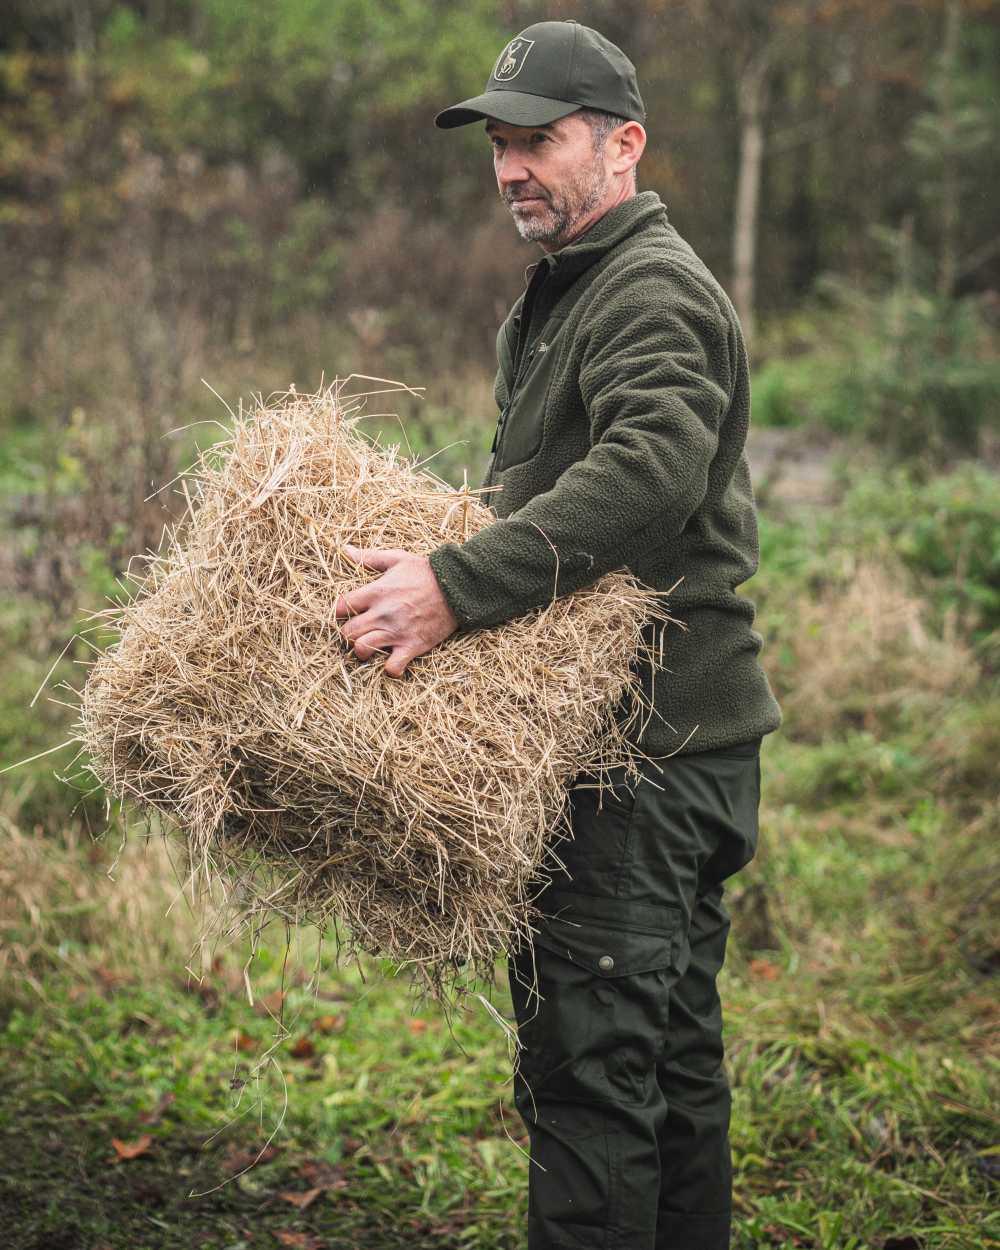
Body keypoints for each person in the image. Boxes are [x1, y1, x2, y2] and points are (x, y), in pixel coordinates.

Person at [334, 19, 782, 1249]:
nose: (510, 168)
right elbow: (561, 489)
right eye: (499, 145)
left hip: (647, 758)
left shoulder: (649, 290)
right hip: (666, 748)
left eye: (539, 140)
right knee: (667, 1074)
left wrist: (453, 585)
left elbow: (649, 471)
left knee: (590, 1084)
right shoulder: (571, 291)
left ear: (624, 142)